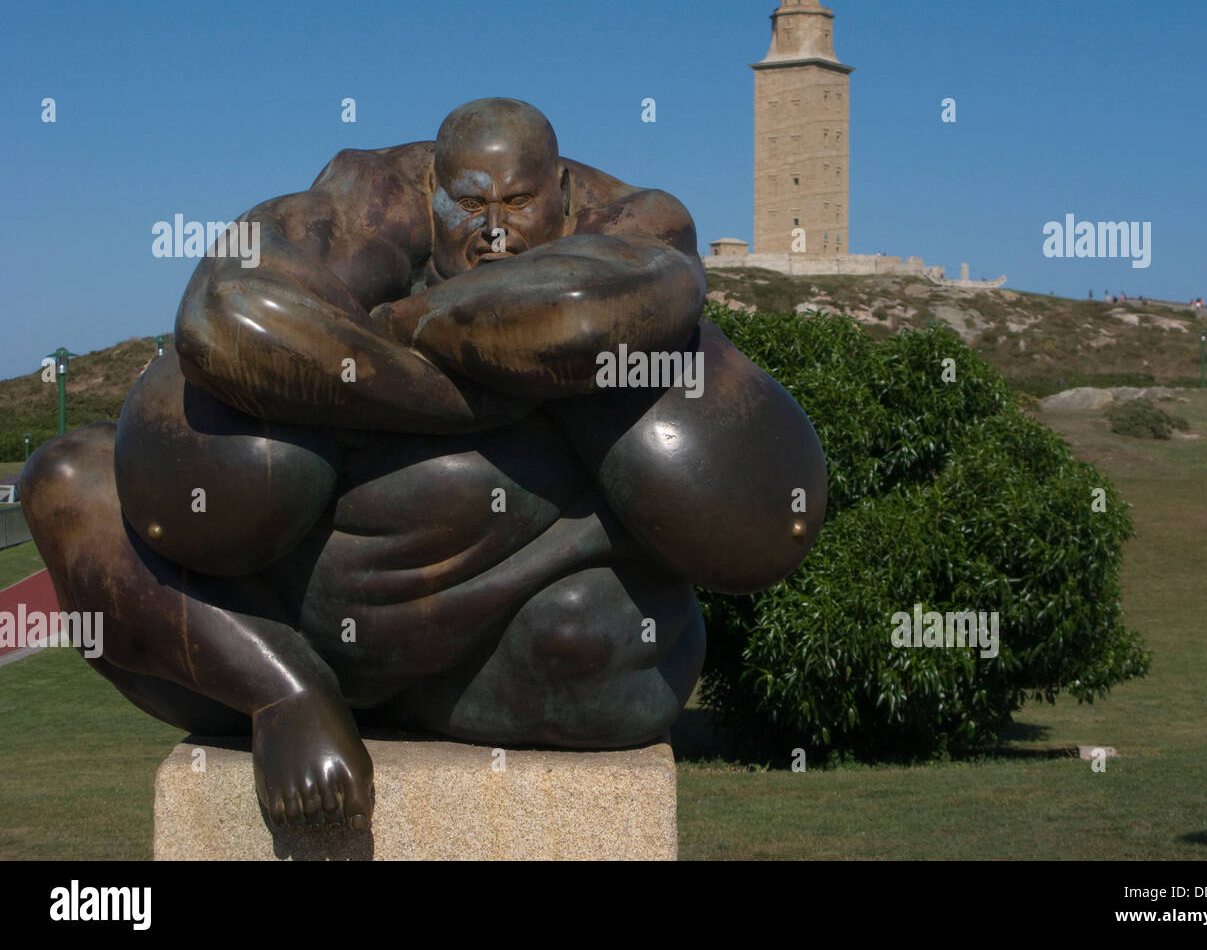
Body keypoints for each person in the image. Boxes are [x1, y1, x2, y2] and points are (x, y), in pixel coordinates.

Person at [21, 99, 827, 830]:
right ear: (432, 193)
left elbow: (593, 321)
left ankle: (400, 685)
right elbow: (225, 313)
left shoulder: (636, 228)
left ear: (565, 191)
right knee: (67, 484)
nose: (496, 231)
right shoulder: (362, 204)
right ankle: (287, 692)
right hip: (264, 632)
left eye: (518, 204)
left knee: (597, 623)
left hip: (506, 657)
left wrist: (391, 342)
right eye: (470, 205)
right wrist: (470, 385)